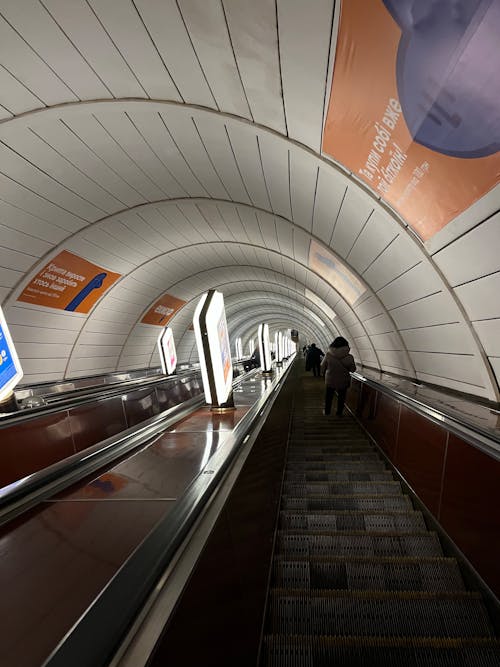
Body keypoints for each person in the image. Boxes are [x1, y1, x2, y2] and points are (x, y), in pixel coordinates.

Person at [320, 337, 356, 416]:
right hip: (344, 380)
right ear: (346, 346)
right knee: (342, 397)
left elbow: (322, 365)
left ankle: (327, 412)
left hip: (330, 379)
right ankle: (339, 413)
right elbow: (353, 370)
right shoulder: (350, 357)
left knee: (329, 396)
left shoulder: (328, 355)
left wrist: (322, 373)